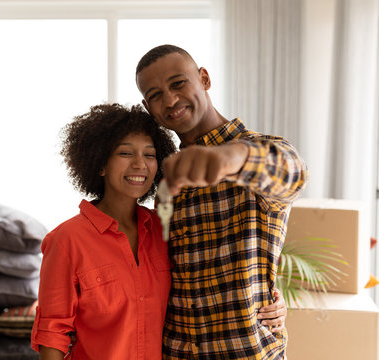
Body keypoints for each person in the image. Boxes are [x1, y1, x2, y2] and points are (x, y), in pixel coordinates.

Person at [30, 103, 288, 360]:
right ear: (101, 164)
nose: (139, 164)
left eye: (150, 155)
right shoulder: (65, 241)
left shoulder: (166, 229)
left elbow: (204, 284)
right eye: (125, 153)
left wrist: (271, 303)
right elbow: (53, 333)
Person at [135, 44, 308, 359]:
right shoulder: (164, 176)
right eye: (156, 95)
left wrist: (233, 156)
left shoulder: (258, 151)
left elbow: (291, 172)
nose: (170, 100)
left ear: (204, 78)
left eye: (178, 84)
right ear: (149, 108)